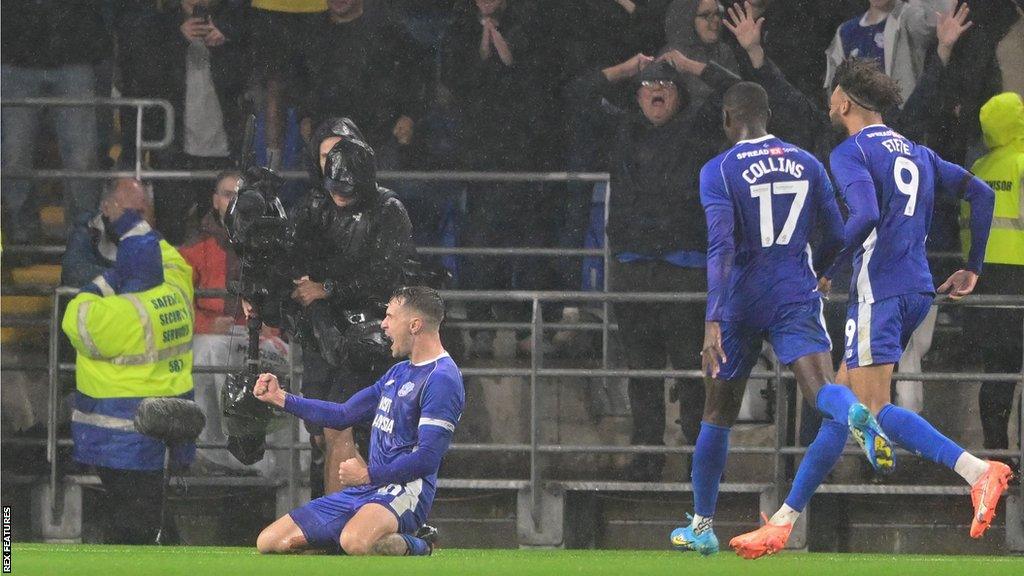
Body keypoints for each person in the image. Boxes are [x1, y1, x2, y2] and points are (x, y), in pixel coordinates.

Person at [671, 80, 866, 558]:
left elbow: (721, 245)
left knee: (717, 413)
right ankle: (855, 411)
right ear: (768, 116)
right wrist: (824, 271)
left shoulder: (718, 169)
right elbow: (840, 233)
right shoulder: (807, 161)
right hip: (793, 293)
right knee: (824, 397)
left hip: (738, 302)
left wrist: (712, 318)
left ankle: (701, 524)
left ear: (727, 120)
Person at [820, 57, 1010, 540]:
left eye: (831, 92)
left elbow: (862, 214)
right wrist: (973, 267)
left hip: (877, 289)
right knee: (838, 398)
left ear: (843, 100)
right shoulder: (917, 152)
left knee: (872, 409)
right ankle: (784, 519)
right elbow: (982, 194)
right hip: (917, 289)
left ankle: (975, 470)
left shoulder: (850, 151)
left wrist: (827, 269)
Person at [571, 49, 741, 480]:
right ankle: (647, 454)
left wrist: (688, 64)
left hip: (685, 271)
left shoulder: (699, 129)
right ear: (637, 96)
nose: (656, 90)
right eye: (647, 85)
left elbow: (737, 90)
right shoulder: (622, 129)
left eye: (665, 84)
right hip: (632, 268)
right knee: (642, 371)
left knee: (691, 370)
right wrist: (624, 67)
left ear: (680, 94)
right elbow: (575, 95)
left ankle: (694, 460)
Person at [254, 286, 463, 556]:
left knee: (354, 542)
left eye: (389, 317)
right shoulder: (398, 372)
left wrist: (367, 474)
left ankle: (420, 542)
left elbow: (427, 458)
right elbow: (342, 415)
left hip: (404, 491)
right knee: (269, 542)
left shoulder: (442, 378)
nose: (384, 325)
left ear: (414, 325)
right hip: (367, 489)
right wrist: (281, 398)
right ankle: (362, 534)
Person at [280, 117, 415, 497]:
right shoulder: (312, 207)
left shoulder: (388, 209)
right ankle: (327, 517)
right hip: (322, 335)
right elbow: (288, 262)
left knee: (360, 429)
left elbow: (391, 276)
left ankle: (367, 516)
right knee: (323, 432)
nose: (338, 193)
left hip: (375, 335)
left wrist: (329, 289)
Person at [61, 197, 196, 544]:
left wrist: (107, 279)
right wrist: (132, 223)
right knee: (154, 516)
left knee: (131, 526)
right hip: (167, 432)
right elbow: (171, 258)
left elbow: (76, 311)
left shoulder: (118, 314)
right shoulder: (177, 291)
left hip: (119, 441)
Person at [117, 0, 250, 244]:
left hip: (219, 144)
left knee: (218, 234)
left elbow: (242, 80)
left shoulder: (234, 23)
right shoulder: (158, 24)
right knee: (170, 232)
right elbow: (145, 78)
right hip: (173, 145)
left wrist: (223, 41)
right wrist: (177, 40)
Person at [1, 0, 109, 243]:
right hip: (16, 56)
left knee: (82, 158)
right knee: (14, 154)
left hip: (73, 53)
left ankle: (81, 235)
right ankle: (21, 233)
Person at [963, 91, 1024, 454]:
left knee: (998, 375)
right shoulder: (1022, 165)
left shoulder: (978, 171)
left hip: (984, 283)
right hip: (1020, 280)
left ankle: (999, 461)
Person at [823, 0, 948, 108]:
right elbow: (834, 90)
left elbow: (936, 17)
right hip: (858, 123)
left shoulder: (908, 18)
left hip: (901, 121)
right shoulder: (846, 31)